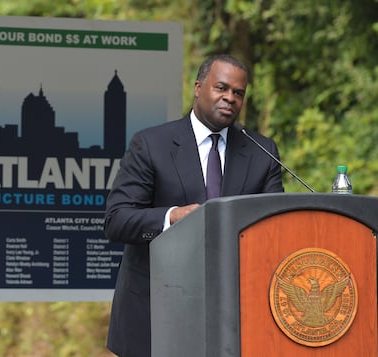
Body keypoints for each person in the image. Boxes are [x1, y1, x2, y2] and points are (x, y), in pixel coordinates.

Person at [104, 54, 284, 357]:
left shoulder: (261, 151)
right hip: (156, 313)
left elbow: (277, 228)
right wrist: (173, 217)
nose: (230, 98)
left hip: (235, 319)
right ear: (198, 88)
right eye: (221, 88)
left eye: (238, 93)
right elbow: (117, 219)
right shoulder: (151, 145)